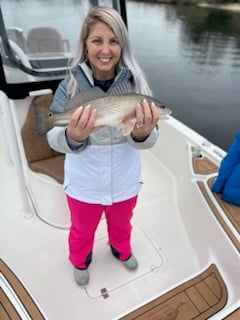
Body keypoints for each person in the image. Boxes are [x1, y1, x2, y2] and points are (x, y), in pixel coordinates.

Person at [47, 6, 160, 286]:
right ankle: (80, 259)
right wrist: (72, 135)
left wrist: (143, 133)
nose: (105, 49)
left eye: (114, 41)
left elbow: (148, 139)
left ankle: (120, 249)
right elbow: (53, 136)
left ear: (123, 45)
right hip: (84, 184)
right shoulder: (69, 85)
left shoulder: (137, 85)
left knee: (122, 225)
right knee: (81, 229)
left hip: (124, 182)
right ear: (85, 44)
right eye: (97, 40)